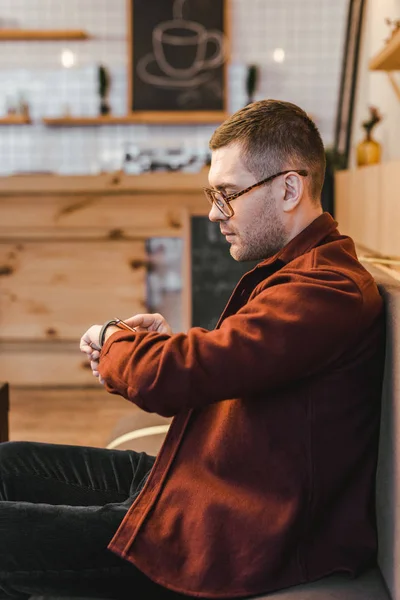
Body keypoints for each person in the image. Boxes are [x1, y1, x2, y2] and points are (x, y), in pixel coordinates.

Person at [0, 100, 385, 599]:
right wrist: (161, 343)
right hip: (205, 486)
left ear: (289, 188)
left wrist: (114, 339)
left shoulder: (326, 288)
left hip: (228, 533)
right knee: (10, 463)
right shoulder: (305, 273)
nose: (212, 212)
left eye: (227, 194)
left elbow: (187, 372)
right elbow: (230, 358)